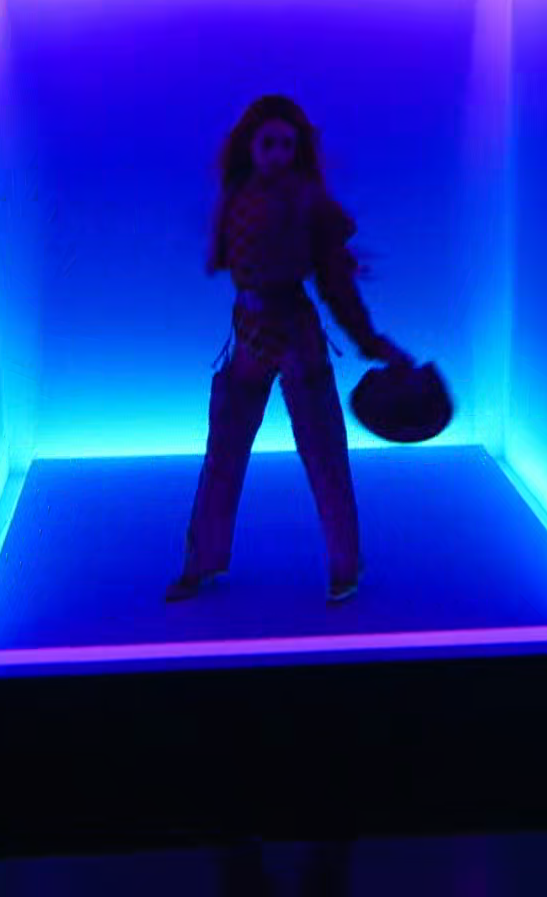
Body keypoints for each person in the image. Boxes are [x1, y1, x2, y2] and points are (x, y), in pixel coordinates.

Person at [168, 95, 413, 605]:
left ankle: (345, 566)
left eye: (287, 144)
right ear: (250, 145)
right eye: (268, 143)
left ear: (298, 150)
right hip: (248, 332)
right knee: (223, 452)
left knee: (324, 453)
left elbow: (335, 283)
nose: (278, 153)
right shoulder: (237, 195)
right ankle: (201, 561)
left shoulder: (310, 203)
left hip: (297, 335)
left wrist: (368, 339)